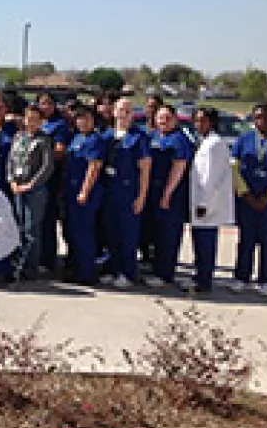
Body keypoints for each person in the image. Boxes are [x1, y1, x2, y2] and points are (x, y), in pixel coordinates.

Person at [100, 98, 151, 289]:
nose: (124, 113)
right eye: (121, 109)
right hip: (109, 189)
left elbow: (145, 168)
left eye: (128, 110)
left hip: (128, 190)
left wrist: (142, 196)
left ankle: (127, 272)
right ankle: (112, 268)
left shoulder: (139, 137)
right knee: (111, 232)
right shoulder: (107, 136)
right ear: (114, 112)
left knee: (127, 234)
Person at [182, 108, 233, 292]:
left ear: (212, 122)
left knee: (205, 244)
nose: (198, 125)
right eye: (196, 120)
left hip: (206, 203)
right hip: (200, 200)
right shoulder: (205, 142)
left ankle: (203, 281)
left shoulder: (214, 144)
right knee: (199, 242)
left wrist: (204, 204)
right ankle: (199, 277)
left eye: (203, 121)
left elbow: (210, 178)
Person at [142, 105, 193, 288]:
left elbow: (179, 167)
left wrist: (167, 193)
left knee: (168, 235)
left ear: (175, 119)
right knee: (154, 233)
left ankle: (165, 274)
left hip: (170, 194)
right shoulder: (154, 136)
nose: (163, 121)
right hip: (152, 191)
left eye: (167, 117)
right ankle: (155, 269)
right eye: (160, 117)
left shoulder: (179, 140)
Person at [230, 103, 267, 296]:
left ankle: (266, 279)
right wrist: (245, 192)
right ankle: (242, 277)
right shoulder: (244, 140)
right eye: (257, 117)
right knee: (246, 239)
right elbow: (234, 167)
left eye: (265, 117)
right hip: (247, 198)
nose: (261, 121)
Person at [7, 105, 54, 279]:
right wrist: (11, 181)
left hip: (35, 190)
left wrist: (32, 184)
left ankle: (30, 267)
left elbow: (47, 166)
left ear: (41, 122)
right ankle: (19, 264)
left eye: (35, 119)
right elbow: (10, 161)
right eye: (28, 118)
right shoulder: (18, 137)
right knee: (19, 227)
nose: (31, 122)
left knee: (31, 230)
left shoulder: (44, 139)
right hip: (17, 188)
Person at [63, 106, 105, 285]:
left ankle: (86, 272)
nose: (82, 122)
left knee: (84, 232)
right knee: (73, 232)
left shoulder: (95, 140)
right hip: (71, 190)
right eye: (79, 118)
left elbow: (94, 167)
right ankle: (76, 268)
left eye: (86, 118)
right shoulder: (77, 137)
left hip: (85, 193)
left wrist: (85, 191)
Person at [37, 92, 71, 272]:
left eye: (49, 103)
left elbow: (59, 151)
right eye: (42, 103)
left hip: (50, 178)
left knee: (48, 219)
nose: (45, 107)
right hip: (32, 179)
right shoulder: (37, 122)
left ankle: (48, 260)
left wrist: (39, 158)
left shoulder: (60, 126)